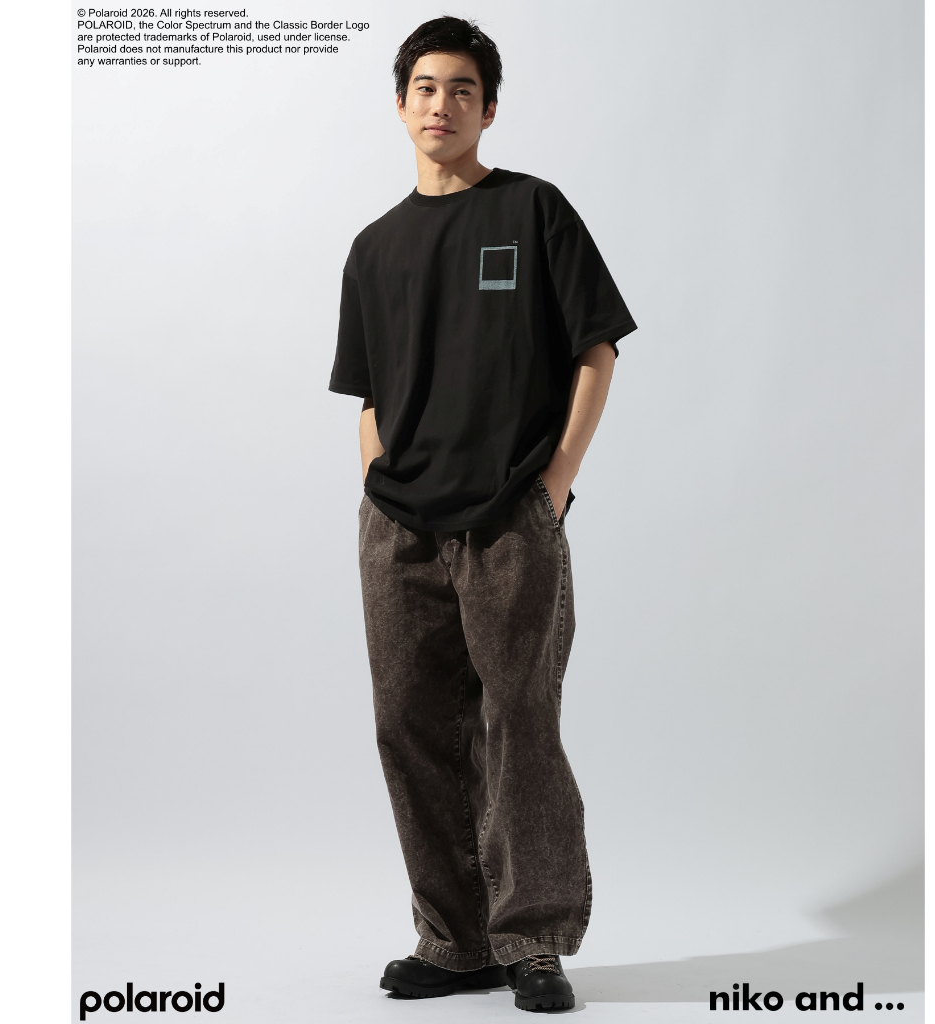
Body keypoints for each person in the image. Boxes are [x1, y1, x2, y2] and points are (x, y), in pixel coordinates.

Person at [329, 16, 637, 1012]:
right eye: (424, 87)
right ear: (399, 104)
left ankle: (532, 940)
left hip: (510, 515)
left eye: (462, 89)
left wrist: (555, 481)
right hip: (399, 528)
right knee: (408, 726)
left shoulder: (532, 210)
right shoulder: (374, 247)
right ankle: (455, 941)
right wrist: (377, 485)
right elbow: (369, 394)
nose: (441, 104)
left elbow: (596, 348)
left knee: (519, 723)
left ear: (489, 108)